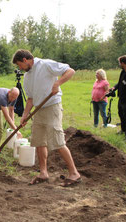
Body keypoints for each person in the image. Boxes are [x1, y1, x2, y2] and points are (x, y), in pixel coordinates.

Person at [12, 49, 81, 187]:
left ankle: (74, 173)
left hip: (52, 107)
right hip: (38, 110)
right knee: (39, 141)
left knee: (57, 140)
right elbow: (30, 99)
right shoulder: (27, 77)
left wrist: (57, 83)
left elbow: (70, 71)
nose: (20, 68)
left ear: (25, 60)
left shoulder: (46, 65)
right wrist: (25, 115)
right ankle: (43, 173)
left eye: (20, 65)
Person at [111, 55, 126, 143]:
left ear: (123, 63)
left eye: (119, 63)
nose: (119, 64)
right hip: (121, 99)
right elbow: (119, 83)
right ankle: (123, 130)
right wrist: (113, 88)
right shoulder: (123, 72)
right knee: (121, 114)